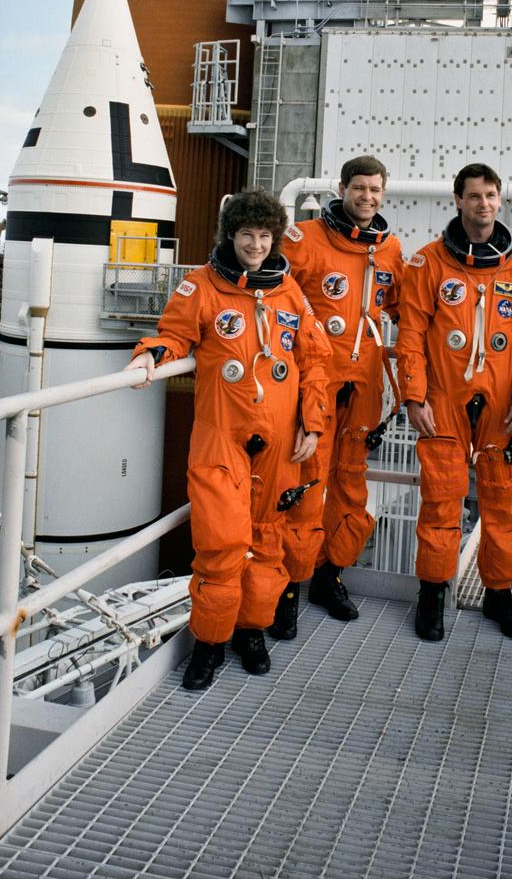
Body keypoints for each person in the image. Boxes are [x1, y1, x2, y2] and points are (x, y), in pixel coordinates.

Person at [126, 188, 331, 689]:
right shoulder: (202, 287)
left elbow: (316, 360)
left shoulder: (289, 293)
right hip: (222, 438)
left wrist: (314, 421)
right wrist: (148, 355)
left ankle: (251, 631)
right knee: (220, 544)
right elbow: (173, 335)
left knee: (267, 543)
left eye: (264, 236)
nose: (256, 245)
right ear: (231, 236)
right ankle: (210, 644)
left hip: (281, 439)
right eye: (247, 235)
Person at [397, 163, 512, 642]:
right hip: (442, 400)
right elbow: (411, 335)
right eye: (474, 196)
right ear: (457, 200)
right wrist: (413, 396)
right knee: (441, 500)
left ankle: (499, 594)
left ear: (499, 199)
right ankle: (432, 594)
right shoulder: (428, 263)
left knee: (502, 501)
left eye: (490, 196)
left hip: (504, 405)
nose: (483, 205)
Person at [270, 155, 404, 638]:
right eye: (359, 188)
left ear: (383, 195)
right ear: (342, 189)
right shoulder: (305, 240)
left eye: (375, 189)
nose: (367, 197)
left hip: (364, 385)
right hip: (313, 385)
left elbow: (402, 310)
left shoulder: (389, 250)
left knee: (350, 485)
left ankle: (331, 576)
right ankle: (286, 589)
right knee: (304, 486)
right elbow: (271, 298)